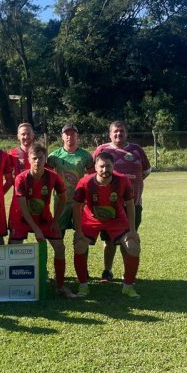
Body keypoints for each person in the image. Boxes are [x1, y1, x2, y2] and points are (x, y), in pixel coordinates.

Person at [8, 144, 76, 298]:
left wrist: (56, 221)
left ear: (45, 159)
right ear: (29, 159)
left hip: (44, 218)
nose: (37, 161)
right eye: (34, 158)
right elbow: (23, 208)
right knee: (13, 247)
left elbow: (63, 197)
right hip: (23, 218)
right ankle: (12, 283)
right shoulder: (21, 178)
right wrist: (35, 229)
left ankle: (60, 285)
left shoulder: (53, 176)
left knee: (59, 247)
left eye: (40, 158)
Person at [72, 151, 141, 298]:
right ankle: (83, 286)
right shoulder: (85, 182)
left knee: (133, 247)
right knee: (79, 245)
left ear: (113, 166)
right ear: (95, 167)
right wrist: (78, 231)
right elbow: (76, 206)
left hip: (117, 220)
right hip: (91, 220)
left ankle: (128, 287)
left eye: (108, 166)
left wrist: (132, 230)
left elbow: (130, 204)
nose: (105, 170)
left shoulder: (122, 181)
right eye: (101, 166)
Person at [92, 121, 151, 282]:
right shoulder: (102, 150)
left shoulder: (136, 150)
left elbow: (145, 171)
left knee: (129, 238)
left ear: (126, 133)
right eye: (115, 132)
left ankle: (127, 273)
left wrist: (130, 185)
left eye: (122, 131)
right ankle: (107, 271)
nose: (119, 134)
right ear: (110, 134)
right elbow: (93, 172)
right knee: (108, 240)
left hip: (134, 204)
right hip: (108, 205)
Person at [47, 124, 94, 237]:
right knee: (58, 233)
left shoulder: (85, 155)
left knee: (81, 234)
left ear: (77, 136)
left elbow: (93, 177)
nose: (69, 136)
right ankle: (60, 255)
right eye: (67, 134)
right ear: (62, 136)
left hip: (79, 200)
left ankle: (80, 254)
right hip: (61, 201)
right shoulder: (54, 156)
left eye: (72, 133)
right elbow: (46, 178)